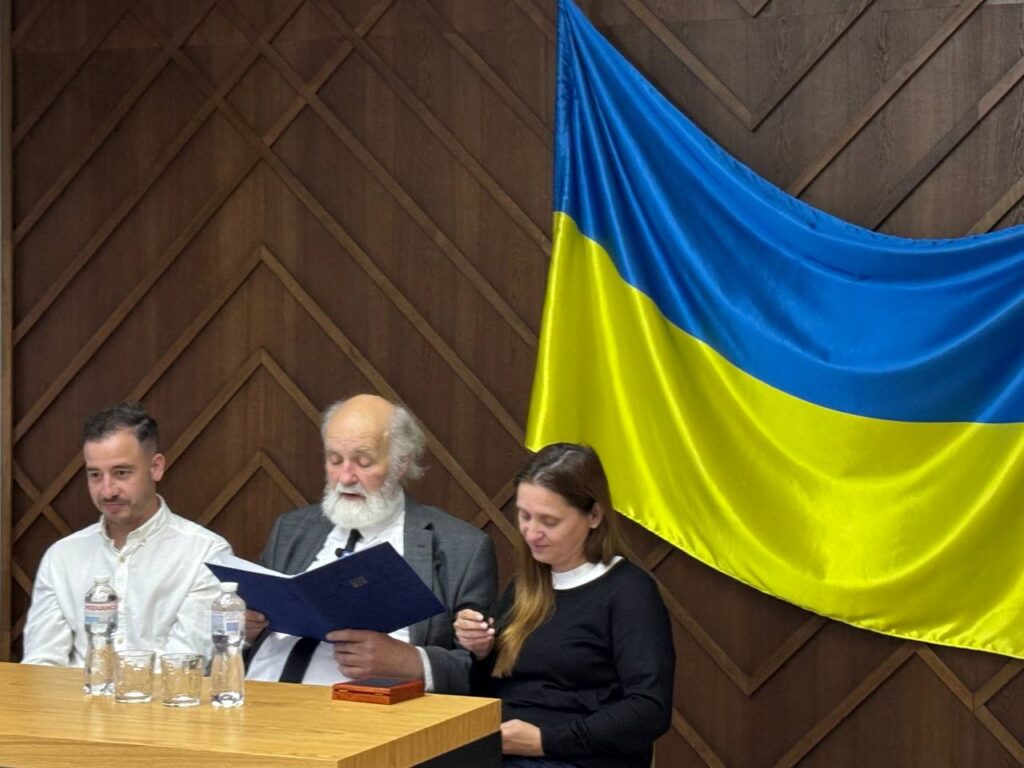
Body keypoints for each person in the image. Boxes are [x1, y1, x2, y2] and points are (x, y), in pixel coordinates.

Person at [245, 394, 497, 693]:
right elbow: (247, 631)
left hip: (364, 710)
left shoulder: (460, 547)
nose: (345, 477)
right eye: (334, 460)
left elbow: (479, 671)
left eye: (363, 462)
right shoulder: (292, 529)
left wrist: (410, 662)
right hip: (258, 697)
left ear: (401, 463)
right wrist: (244, 629)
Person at [455, 443, 674, 768]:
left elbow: (649, 709)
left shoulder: (629, 592)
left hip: (577, 757)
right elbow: (492, 689)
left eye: (549, 521)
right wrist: (482, 652)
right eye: (524, 516)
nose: (532, 533)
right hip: (500, 749)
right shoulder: (524, 586)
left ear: (594, 515)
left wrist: (546, 741)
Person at [22, 402, 233, 665]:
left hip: (166, 693)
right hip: (74, 693)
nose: (107, 490)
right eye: (95, 475)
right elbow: (41, 663)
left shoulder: (205, 553)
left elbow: (184, 664)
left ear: (156, 467)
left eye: (121, 473)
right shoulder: (62, 557)